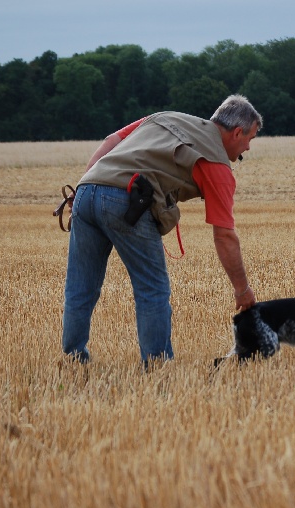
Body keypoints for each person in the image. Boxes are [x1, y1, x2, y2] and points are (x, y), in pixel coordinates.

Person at [62, 94, 262, 367]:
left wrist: (83, 187)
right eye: (250, 138)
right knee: (152, 289)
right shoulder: (215, 163)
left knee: (80, 286)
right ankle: (157, 367)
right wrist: (242, 290)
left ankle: (73, 360)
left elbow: (111, 141)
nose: (248, 147)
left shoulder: (167, 117)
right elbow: (224, 235)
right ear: (237, 132)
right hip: (128, 200)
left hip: (86, 189)